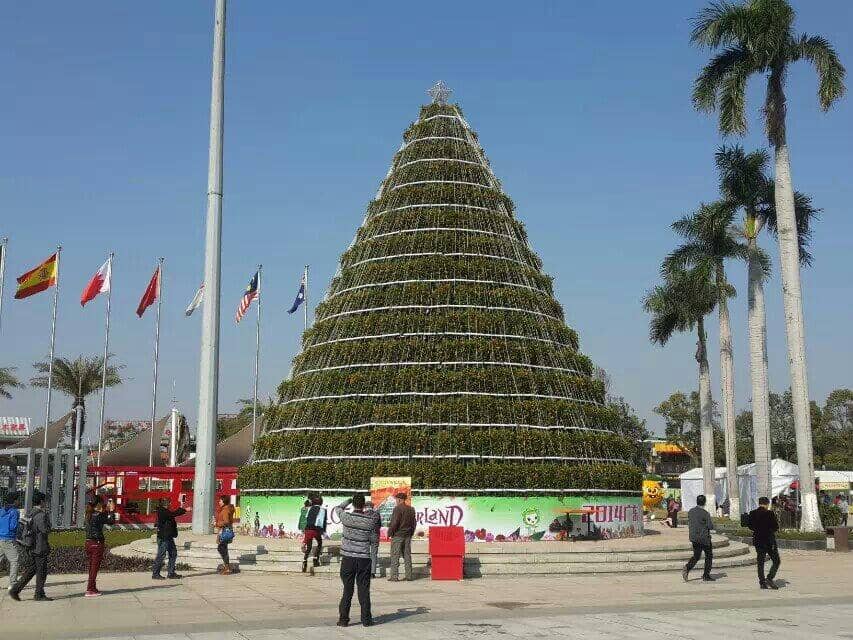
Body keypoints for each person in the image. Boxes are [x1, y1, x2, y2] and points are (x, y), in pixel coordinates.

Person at [334, 493, 381, 627]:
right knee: (364, 590)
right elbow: (373, 542)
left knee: (347, 590)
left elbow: (338, 508)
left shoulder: (346, 517)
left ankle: (343, 620)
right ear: (364, 505)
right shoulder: (370, 521)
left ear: (353, 504)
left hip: (348, 559)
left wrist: (348, 500)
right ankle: (366, 620)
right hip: (363, 560)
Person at [10, 490, 52, 602]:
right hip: (40, 547)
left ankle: (15, 590)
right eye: (45, 501)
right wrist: (48, 522)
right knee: (42, 572)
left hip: (30, 545)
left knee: (31, 570)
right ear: (42, 501)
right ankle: (39, 594)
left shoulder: (30, 513)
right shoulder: (41, 515)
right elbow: (45, 530)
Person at [84, 496, 116, 596]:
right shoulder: (98, 515)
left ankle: (92, 587)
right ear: (98, 504)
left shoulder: (89, 514)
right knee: (94, 568)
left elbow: (102, 516)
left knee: (91, 567)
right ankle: (90, 589)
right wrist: (111, 510)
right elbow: (111, 522)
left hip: (88, 542)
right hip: (97, 543)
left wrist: (105, 510)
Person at [747, 496, 780, 590]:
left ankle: (762, 582)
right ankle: (769, 578)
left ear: (759, 503)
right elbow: (775, 527)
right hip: (769, 541)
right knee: (776, 560)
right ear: (767, 504)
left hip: (758, 541)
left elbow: (750, 526)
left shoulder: (752, 513)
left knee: (760, 562)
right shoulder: (770, 513)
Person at [682, 494, 714, 583]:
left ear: (697, 501)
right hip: (704, 538)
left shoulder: (691, 511)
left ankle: (687, 567)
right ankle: (706, 575)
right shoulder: (705, 513)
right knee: (709, 556)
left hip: (694, 538)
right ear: (704, 502)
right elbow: (710, 526)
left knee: (696, 556)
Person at [152, 498, 187, 580]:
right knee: (161, 555)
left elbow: (173, 514)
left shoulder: (165, 511)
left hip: (168, 536)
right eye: (169, 502)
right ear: (165, 504)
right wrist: (184, 509)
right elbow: (173, 514)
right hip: (164, 537)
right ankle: (155, 573)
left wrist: (182, 505)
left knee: (173, 553)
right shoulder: (162, 511)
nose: (170, 504)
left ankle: (171, 573)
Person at [387, 492, 416, 582]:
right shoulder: (411, 509)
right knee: (407, 556)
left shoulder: (397, 509)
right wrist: (411, 533)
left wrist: (389, 533)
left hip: (398, 535)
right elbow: (414, 523)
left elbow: (395, 523)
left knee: (395, 555)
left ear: (399, 499)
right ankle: (409, 576)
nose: (396, 501)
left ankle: (394, 576)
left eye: (396, 499)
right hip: (407, 535)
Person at [0, 492, 20, 593]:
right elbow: (13, 526)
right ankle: (13, 583)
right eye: (17, 499)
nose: (19, 501)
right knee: (14, 560)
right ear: (14, 501)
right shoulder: (14, 512)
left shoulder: (1, 510)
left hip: (0, 538)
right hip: (9, 539)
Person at [302, 495, 327, 574]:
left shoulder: (310, 508)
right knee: (319, 543)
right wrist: (323, 531)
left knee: (309, 547)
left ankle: (304, 562)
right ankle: (315, 559)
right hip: (315, 529)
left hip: (308, 529)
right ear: (321, 502)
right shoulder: (323, 509)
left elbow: (307, 518)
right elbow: (322, 520)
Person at [215, 495, 236, 575]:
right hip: (225, 531)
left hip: (224, 531)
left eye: (220, 501)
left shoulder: (225, 510)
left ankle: (227, 567)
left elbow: (226, 521)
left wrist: (216, 523)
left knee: (221, 548)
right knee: (223, 548)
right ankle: (226, 566)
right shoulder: (226, 509)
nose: (219, 502)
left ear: (224, 502)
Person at [365, 500, 380, 577]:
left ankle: (366, 571)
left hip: (365, 535)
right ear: (372, 507)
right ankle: (372, 572)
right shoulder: (377, 514)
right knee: (374, 554)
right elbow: (379, 525)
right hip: (375, 535)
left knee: (365, 553)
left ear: (365, 507)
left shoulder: (363, 514)